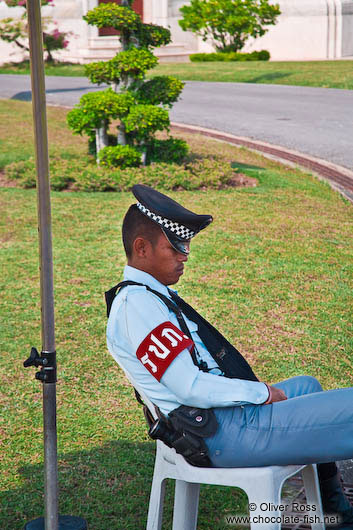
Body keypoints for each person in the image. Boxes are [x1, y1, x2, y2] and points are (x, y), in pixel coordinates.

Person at [106, 184, 353, 528]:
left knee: (307, 386)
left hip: (222, 421)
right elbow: (189, 386)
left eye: (186, 245)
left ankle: (334, 515)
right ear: (142, 247)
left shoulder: (152, 297)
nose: (185, 255)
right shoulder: (139, 306)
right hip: (220, 432)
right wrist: (260, 393)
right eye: (174, 246)